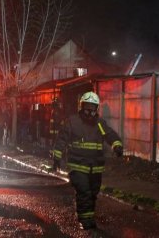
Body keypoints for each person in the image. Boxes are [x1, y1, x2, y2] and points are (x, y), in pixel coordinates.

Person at [52, 91, 123, 230]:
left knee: (93, 193)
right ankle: (85, 220)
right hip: (78, 166)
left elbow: (110, 135)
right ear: (81, 106)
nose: (89, 111)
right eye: (87, 106)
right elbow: (61, 140)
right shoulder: (72, 122)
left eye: (93, 107)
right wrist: (56, 158)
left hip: (95, 167)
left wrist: (117, 145)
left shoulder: (100, 123)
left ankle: (89, 217)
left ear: (96, 108)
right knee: (84, 192)